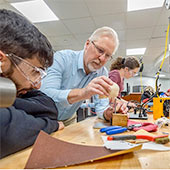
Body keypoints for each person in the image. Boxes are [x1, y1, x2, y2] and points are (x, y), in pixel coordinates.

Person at [0, 9, 64, 159]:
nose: (38, 85)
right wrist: (51, 125)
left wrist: (12, 112)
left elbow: (48, 107)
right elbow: (5, 134)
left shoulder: (18, 87)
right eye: (35, 72)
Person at [41, 26, 128, 125]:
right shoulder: (62, 58)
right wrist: (82, 93)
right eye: (100, 50)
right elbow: (46, 95)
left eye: (107, 55)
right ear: (87, 44)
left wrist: (108, 113)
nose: (102, 58)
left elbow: (101, 106)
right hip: (43, 119)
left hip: (68, 119)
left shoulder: (102, 72)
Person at [102, 56, 140, 120]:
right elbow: (109, 97)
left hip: (113, 108)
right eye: (133, 72)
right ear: (126, 69)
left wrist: (128, 103)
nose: (133, 75)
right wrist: (124, 104)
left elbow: (117, 97)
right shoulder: (115, 75)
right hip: (107, 111)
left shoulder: (121, 78)